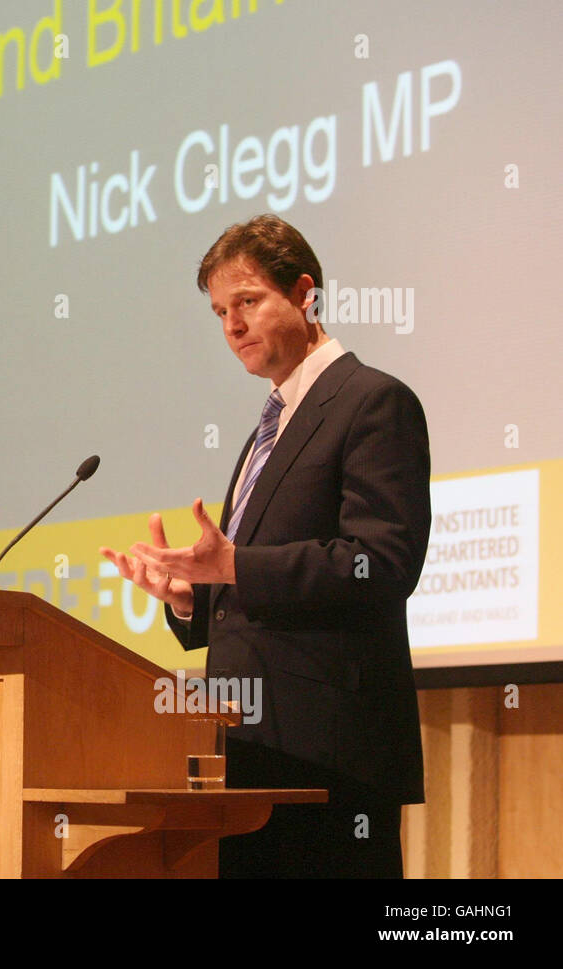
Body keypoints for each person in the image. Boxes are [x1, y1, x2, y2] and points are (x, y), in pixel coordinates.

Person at [100, 214, 429, 877]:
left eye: (247, 301)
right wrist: (194, 598)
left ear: (305, 293)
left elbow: (383, 561)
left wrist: (235, 565)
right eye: (220, 311)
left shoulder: (373, 402)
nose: (231, 325)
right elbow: (249, 590)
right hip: (249, 760)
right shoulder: (266, 431)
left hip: (330, 761)